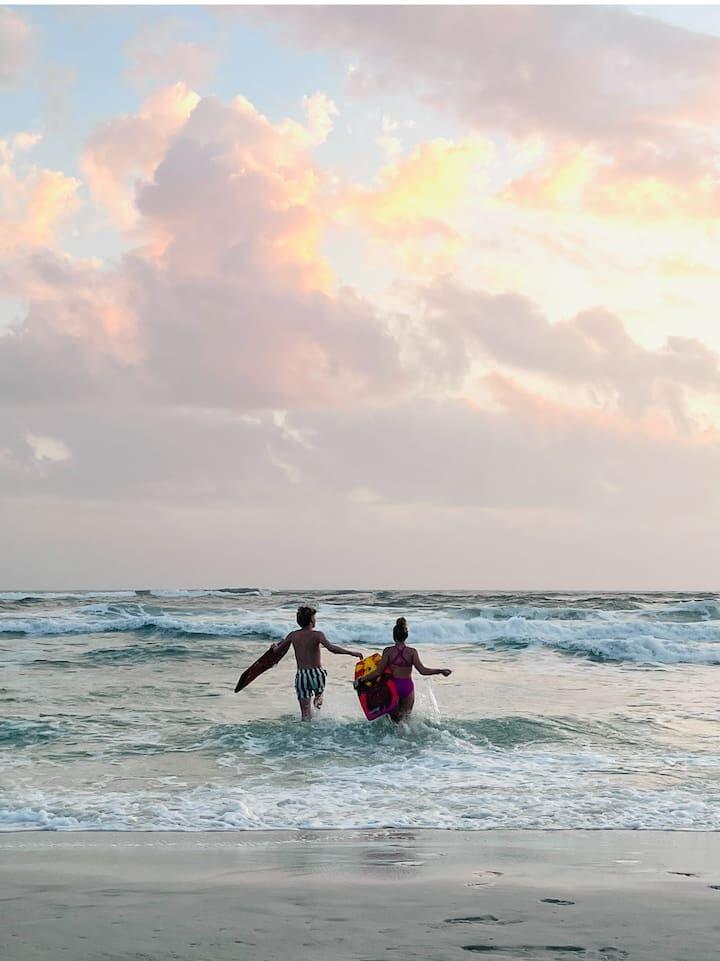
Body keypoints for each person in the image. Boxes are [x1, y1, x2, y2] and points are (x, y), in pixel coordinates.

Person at [274, 605, 363, 721]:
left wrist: (274, 647)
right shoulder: (317, 635)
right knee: (318, 699)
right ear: (311, 620)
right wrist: (350, 652)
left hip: (302, 676)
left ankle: (306, 732)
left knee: (305, 713)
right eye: (314, 618)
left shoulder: (293, 635)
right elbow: (331, 648)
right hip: (316, 674)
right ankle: (318, 719)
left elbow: (278, 650)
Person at [358, 616, 451, 723]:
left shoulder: (388, 652)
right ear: (406, 636)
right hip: (407, 687)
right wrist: (440, 671)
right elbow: (423, 670)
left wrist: (361, 679)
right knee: (405, 722)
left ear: (394, 636)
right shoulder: (412, 652)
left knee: (393, 722)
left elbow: (378, 672)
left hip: (393, 687)